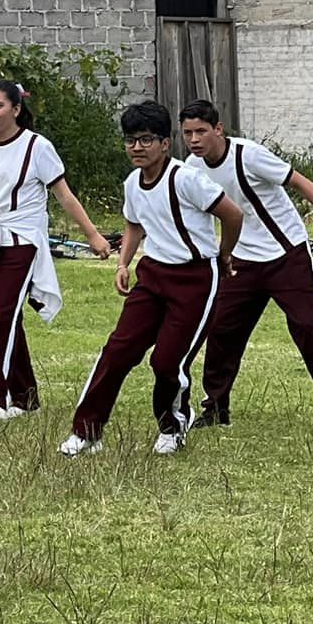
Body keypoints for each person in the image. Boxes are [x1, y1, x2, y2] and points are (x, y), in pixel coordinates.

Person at [63, 101, 243, 458]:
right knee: (117, 352)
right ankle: (86, 433)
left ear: (165, 143)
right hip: (153, 276)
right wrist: (123, 263)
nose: (137, 148)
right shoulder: (132, 183)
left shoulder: (186, 179)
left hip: (195, 278)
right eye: (131, 140)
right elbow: (135, 223)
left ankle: (173, 424)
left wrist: (224, 254)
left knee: (166, 362)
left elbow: (233, 214)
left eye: (146, 139)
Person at [178, 100, 313, 431]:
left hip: (286, 253)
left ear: (218, 129)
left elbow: (299, 181)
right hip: (242, 260)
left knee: (307, 325)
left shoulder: (249, 155)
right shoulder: (191, 167)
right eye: (188, 133)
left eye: (201, 131)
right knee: (222, 330)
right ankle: (216, 407)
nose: (194, 139)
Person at [0, 80, 110, 419]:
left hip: (21, 240)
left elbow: (64, 196)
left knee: (1, 316)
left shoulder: (38, 147)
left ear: (16, 109)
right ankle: (26, 398)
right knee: (5, 318)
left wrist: (93, 236)